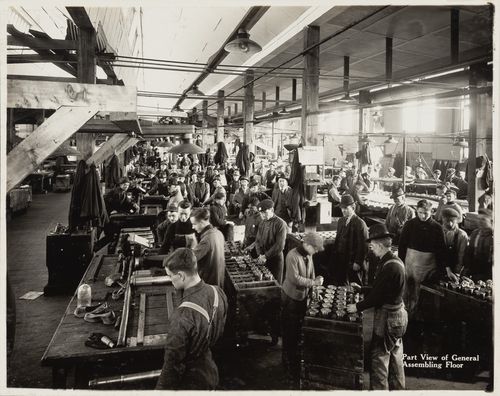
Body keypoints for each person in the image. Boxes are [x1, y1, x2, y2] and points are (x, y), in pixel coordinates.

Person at [156, 248, 228, 390]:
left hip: (191, 381)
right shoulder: (218, 291)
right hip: (211, 371)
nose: (170, 280)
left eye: (170, 276)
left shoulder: (182, 316)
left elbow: (172, 366)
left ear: (181, 275)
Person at [347, 224, 407, 390]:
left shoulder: (390, 266)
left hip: (388, 318)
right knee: (395, 357)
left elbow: (378, 296)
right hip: (398, 317)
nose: (371, 249)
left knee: (379, 357)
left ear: (380, 245)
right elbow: (382, 289)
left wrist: (357, 307)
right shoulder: (392, 260)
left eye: (372, 246)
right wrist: (363, 289)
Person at [282, 233, 325, 387]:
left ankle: (294, 356)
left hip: (303, 296)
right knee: (290, 330)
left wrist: (315, 289)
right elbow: (295, 279)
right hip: (292, 297)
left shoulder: (308, 254)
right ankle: (287, 362)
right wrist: (313, 282)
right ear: (307, 245)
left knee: (297, 327)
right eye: (315, 249)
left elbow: (311, 271)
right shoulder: (291, 256)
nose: (316, 252)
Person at [398, 199, 446, 316]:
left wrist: (442, 269)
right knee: (407, 290)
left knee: (421, 293)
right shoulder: (409, 225)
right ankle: (405, 314)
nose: (423, 216)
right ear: (416, 211)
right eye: (420, 213)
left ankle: (417, 316)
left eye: (426, 213)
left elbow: (442, 250)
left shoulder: (437, 228)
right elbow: (402, 245)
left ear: (432, 211)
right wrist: (401, 261)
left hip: (427, 266)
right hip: (410, 263)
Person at [331, 194, 368, 286]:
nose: (343, 210)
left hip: (353, 261)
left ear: (353, 207)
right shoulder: (341, 221)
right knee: (341, 284)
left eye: (346, 208)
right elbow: (337, 240)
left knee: (354, 285)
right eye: (341, 208)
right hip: (341, 260)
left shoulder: (360, 223)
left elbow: (363, 245)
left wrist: (358, 262)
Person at [249, 199, 288, 285]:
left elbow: (279, 245)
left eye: (265, 212)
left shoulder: (280, 224)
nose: (262, 215)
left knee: (275, 286)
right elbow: (258, 240)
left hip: (275, 259)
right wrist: (260, 254)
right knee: (264, 284)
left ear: (272, 210)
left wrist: (265, 256)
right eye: (261, 213)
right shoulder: (262, 223)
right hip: (263, 258)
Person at [190, 208, 226, 288]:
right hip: (218, 280)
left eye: (194, 224)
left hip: (209, 282)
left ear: (202, 222)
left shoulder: (206, 240)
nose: (193, 227)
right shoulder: (218, 233)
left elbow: (191, 259)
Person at [462, 208, 493, 281]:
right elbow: (469, 252)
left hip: (488, 274)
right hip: (474, 271)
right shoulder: (475, 233)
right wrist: (466, 269)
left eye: (483, 219)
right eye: (478, 219)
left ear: (491, 221)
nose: (479, 222)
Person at [441, 207, 468, 280]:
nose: (450, 224)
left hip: (454, 269)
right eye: (447, 221)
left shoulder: (462, 235)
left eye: (452, 221)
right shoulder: (438, 232)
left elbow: (461, 255)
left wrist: (457, 272)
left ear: (457, 221)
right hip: (439, 267)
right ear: (443, 220)